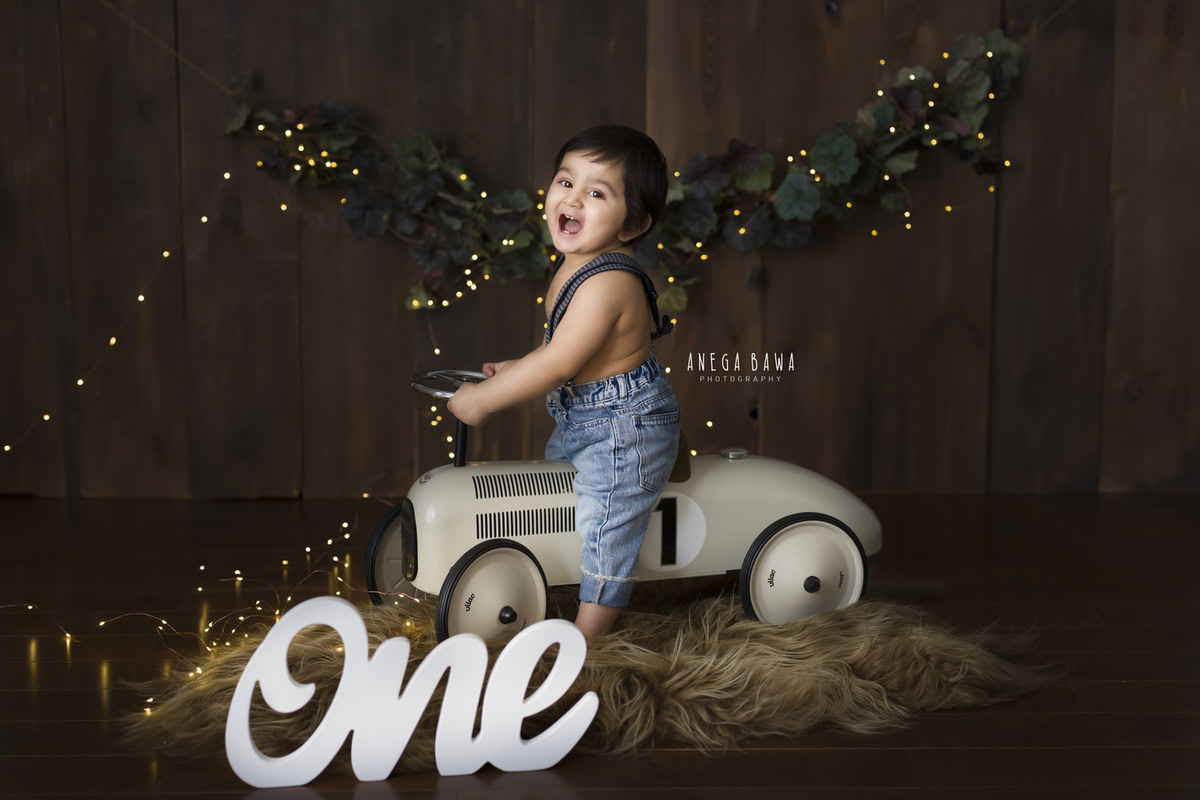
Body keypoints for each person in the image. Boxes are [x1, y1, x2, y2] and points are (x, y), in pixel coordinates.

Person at [447, 123, 680, 640]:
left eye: (596, 193)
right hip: (587, 416)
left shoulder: (608, 282)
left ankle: (587, 639)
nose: (572, 199)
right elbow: (565, 350)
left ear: (633, 223)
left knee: (605, 523)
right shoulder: (576, 262)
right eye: (565, 181)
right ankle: (556, 588)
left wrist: (483, 401)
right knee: (559, 500)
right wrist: (519, 366)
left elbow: (558, 363)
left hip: (625, 428)